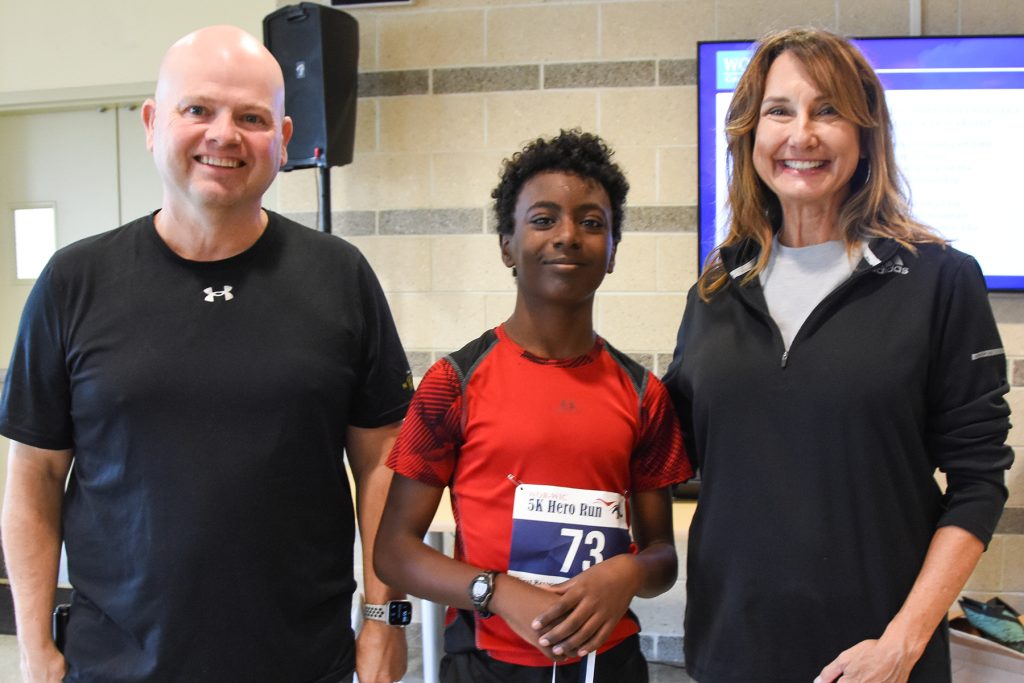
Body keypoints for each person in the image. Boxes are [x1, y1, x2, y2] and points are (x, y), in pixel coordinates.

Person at [0, 26, 413, 683]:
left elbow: (383, 464)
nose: (224, 134)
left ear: (280, 139)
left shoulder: (341, 277)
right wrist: (33, 645)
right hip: (115, 666)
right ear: (151, 122)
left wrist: (384, 619)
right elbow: (34, 478)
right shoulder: (73, 282)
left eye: (250, 118)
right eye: (198, 109)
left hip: (303, 664)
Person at [662, 27, 1014, 683]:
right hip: (732, 652)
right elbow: (673, 447)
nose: (803, 134)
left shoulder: (939, 278)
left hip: (876, 661)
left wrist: (902, 644)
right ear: (748, 134)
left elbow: (978, 481)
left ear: (865, 134)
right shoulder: (715, 287)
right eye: (780, 111)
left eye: (828, 110)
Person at [373, 130, 692, 682]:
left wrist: (628, 573)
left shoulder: (645, 394)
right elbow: (394, 552)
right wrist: (494, 592)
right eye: (544, 219)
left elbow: (663, 556)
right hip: (486, 664)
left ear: (614, 250)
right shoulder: (454, 383)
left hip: (608, 665)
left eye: (592, 223)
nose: (568, 236)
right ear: (506, 245)